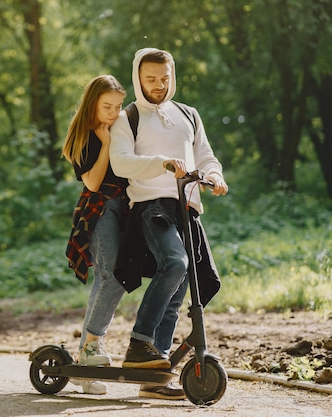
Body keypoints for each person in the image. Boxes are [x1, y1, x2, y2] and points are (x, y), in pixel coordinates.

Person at [109, 48, 229, 400]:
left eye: (164, 78)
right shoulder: (128, 117)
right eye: (151, 80)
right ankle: (139, 344)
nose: (159, 85)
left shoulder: (188, 114)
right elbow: (121, 163)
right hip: (151, 205)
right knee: (175, 263)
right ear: (138, 78)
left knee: (182, 283)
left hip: (186, 206)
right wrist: (162, 163)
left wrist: (215, 175)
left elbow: (205, 154)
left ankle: (154, 371)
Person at [63, 74, 128, 395]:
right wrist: (105, 144)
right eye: (107, 107)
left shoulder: (119, 127)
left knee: (108, 277)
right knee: (110, 276)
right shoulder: (85, 137)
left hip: (124, 208)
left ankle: (84, 362)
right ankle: (91, 347)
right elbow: (92, 182)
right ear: (92, 104)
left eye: (118, 106)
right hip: (98, 209)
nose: (114, 113)